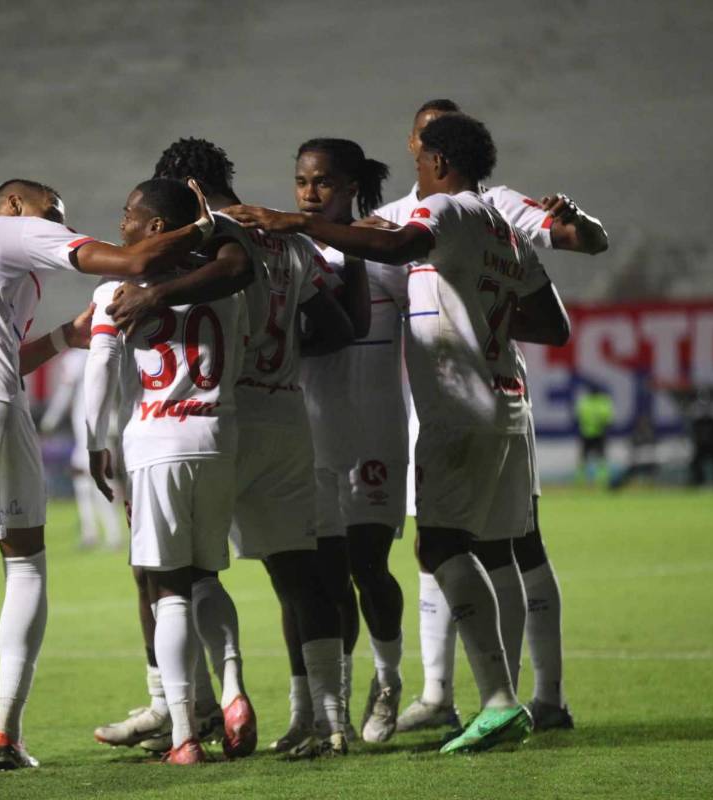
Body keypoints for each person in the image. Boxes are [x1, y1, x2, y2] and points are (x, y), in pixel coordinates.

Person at [225, 111, 572, 754]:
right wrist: (478, 315)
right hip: (504, 407)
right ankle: (502, 698)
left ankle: (495, 699)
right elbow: (553, 326)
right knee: (483, 551)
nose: (415, 175)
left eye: (420, 163)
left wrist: (294, 222)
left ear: (439, 163)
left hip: (458, 412)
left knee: (437, 548)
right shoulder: (503, 229)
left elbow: (395, 248)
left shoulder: (443, 213)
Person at [0, 177, 216, 774]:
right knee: (23, 561)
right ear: (15, 206)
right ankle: (5, 734)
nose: (62, 227)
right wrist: (204, 226)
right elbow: (137, 258)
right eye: (55, 214)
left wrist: (66, 336)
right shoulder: (13, 230)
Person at [364, 98, 607, 735]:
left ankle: (528, 696)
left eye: (428, 144)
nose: (418, 151)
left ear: (438, 156)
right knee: (469, 548)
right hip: (470, 396)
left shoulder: (478, 206)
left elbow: (583, 242)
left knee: (486, 544)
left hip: (465, 399)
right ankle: (446, 693)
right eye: (417, 135)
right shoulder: (427, 216)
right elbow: (551, 319)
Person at [86, 178, 252, 765]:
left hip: (156, 439)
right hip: (218, 434)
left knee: (169, 590)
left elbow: (100, 374)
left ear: (157, 227)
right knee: (209, 576)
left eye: (131, 215)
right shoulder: (225, 282)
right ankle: (232, 690)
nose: (122, 222)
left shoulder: (118, 290)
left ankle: (183, 734)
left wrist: (95, 441)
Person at [290, 138, 411, 746]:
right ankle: (329, 708)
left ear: (352, 186)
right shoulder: (290, 250)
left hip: (377, 427)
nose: (311, 194)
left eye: (324, 183)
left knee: (369, 564)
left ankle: (387, 681)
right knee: (326, 578)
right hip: (311, 431)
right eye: (303, 182)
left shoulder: (389, 250)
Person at [39, 348, 125, 549]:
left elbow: (65, 392)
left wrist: (50, 421)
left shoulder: (79, 357)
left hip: (96, 429)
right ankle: (91, 533)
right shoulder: (112, 350)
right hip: (93, 429)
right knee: (84, 481)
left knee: (98, 480)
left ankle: (113, 535)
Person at [575, 385, 614, 486]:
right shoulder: (601, 401)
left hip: (595, 434)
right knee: (588, 458)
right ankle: (584, 480)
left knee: (598, 458)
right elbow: (608, 418)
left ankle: (600, 480)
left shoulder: (587, 402)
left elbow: (580, 416)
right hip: (589, 433)